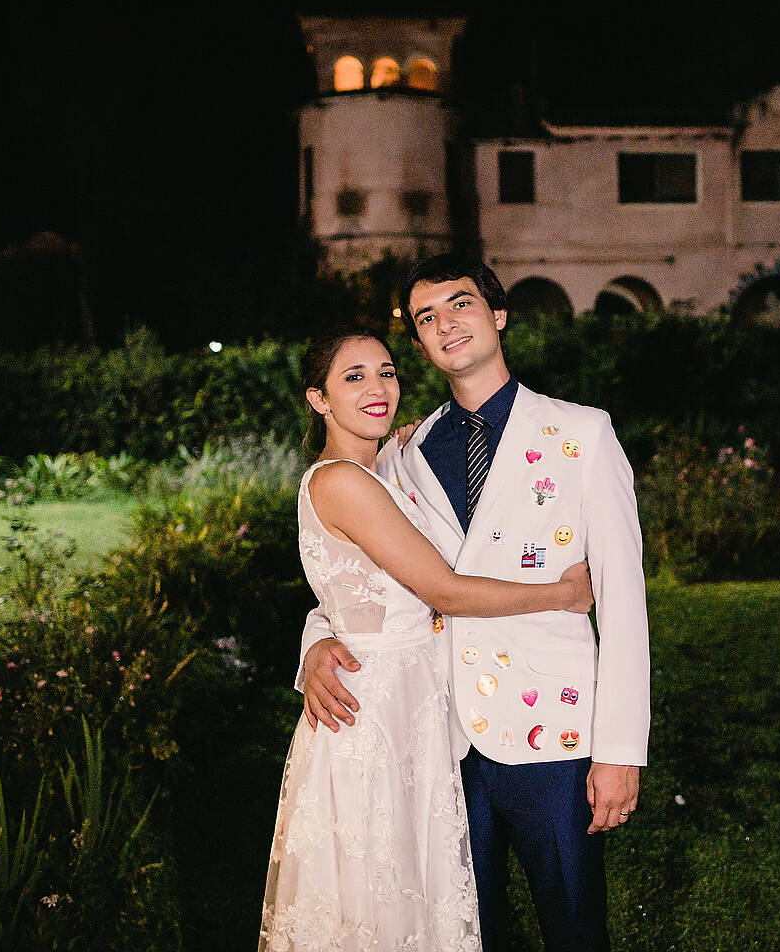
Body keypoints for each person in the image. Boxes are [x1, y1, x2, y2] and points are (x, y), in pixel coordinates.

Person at [298, 255, 652, 952]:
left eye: (460, 304)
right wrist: (312, 644)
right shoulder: (403, 452)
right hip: (439, 743)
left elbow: (624, 605)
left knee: (575, 929)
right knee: (462, 932)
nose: (445, 324)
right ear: (422, 344)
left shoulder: (581, 435)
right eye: (426, 318)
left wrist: (620, 751)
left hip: (555, 738)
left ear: (497, 315)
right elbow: (363, 578)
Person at [260, 331, 594, 952]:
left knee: (411, 892)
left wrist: (316, 639)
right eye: (353, 377)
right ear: (318, 399)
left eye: (385, 372)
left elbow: (347, 592)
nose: (377, 387)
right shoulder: (343, 482)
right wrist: (560, 594)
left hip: (411, 704)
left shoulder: (382, 467)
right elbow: (443, 590)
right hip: (377, 713)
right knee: (380, 891)